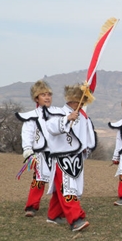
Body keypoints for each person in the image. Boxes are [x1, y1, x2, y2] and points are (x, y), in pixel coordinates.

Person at [43, 84, 97, 232]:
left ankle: (53, 215)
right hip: (62, 158)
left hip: (77, 158)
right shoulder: (58, 112)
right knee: (68, 188)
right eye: (81, 101)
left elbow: (85, 135)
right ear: (74, 101)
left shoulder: (82, 116)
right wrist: (67, 118)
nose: (83, 104)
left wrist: (86, 146)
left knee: (61, 188)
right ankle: (76, 219)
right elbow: (51, 127)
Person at [15, 80, 54, 217]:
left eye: (49, 94)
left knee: (59, 182)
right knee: (38, 180)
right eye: (43, 94)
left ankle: (59, 208)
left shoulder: (58, 114)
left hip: (57, 154)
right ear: (37, 98)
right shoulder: (31, 116)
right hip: (40, 153)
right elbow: (27, 134)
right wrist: (28, 150)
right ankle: (32, 206)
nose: (47, 97)